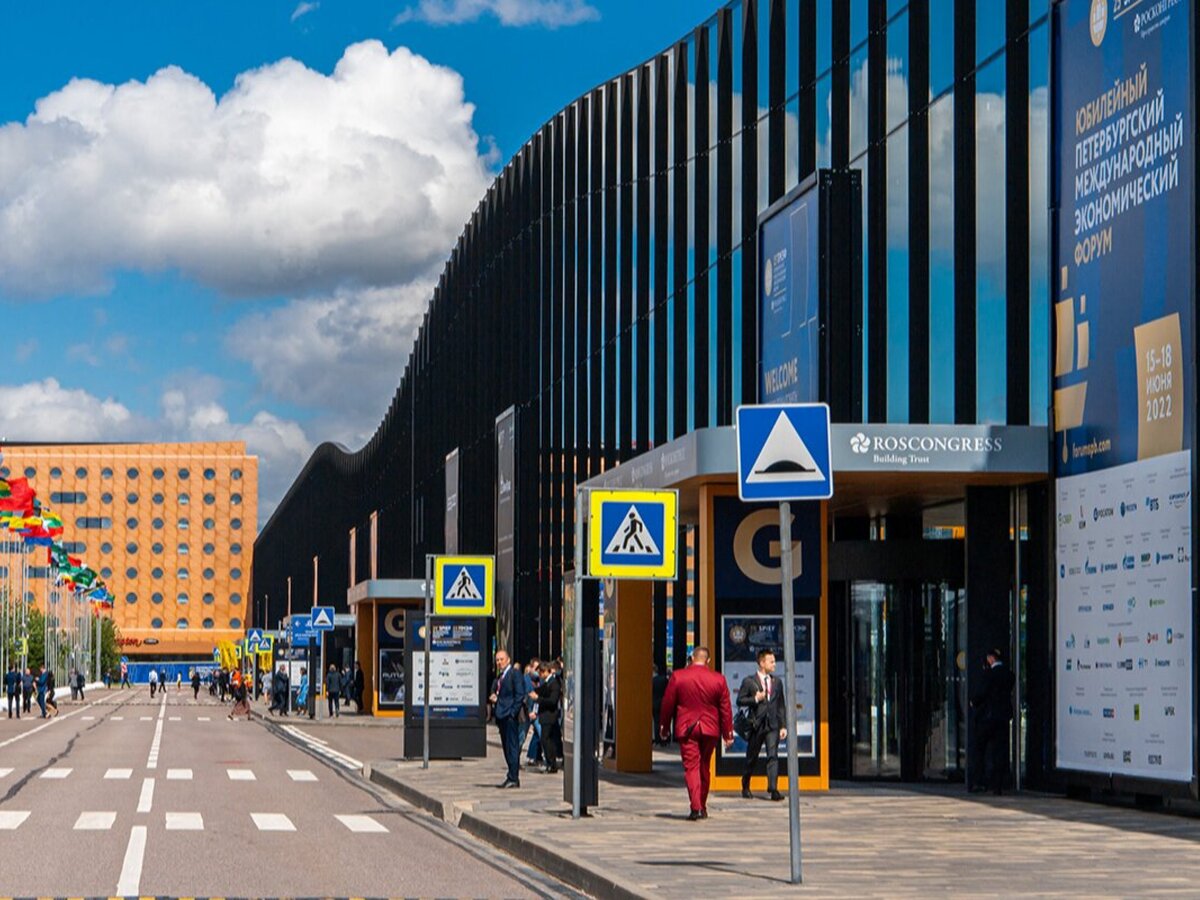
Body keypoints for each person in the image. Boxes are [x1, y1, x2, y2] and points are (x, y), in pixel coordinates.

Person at [658, 647, 734, 820]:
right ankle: (702, 804)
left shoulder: (679, 676)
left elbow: (667, 703)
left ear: (692, 658)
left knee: (691, 767)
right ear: (708, 660)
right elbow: (725, 708)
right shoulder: (718, 679)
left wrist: (663, 727)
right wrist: (727, 733)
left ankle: (696, 807)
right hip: (710, 729)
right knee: (704, 766)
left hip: (687, 728)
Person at [737, 649, 787, 801]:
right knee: (752, 756)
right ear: (762, 663)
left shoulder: (777, 682)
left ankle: (773, 789)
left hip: (772, 725)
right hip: (756, 724)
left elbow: (780, 705)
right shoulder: (749, 681)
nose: (774, 665)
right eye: (771, 661)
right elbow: (740, 700)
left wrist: (783, 725)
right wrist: (755, 699)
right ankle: (745, 784)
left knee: (773, 756)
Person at [969, 648, 1016, 795]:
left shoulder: (989, 675)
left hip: (987, 717)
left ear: (991, 658)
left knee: (979, 749)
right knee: (999, 751)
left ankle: (979, 781)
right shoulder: (1009, 675)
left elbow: (981, 693)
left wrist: (974, 702)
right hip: (1002, 717)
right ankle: (998, 785)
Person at [489, 650, 525, 788]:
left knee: (512, 746)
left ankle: (513, 777)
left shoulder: (514, 674)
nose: (499, 662)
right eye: (497, 660)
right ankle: (511, 774)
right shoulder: (500, 677)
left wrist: (512, 713)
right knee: (506, 747)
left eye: (501, 659)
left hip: (509, 715)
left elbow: (519, 694)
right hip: (501, 715)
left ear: (508, 660)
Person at [530, 662, 562, 774]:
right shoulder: (547, 683)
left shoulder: (554, 684)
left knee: (546, 739)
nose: (539, 675)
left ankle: (551, 763)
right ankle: (550, 763)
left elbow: (552, 701)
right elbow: (540, 690)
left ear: (545, 672)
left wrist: (538, 698)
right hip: (545, 715)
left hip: (550, 716)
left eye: (540, 673)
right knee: (547, 740)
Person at [652, 664, 670, 745]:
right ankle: (665, 739)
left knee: (656, 722)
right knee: (664, 721)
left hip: (654, 704)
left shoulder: (651, 681)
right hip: (663, 703)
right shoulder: (663, 680)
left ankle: (657, 739)